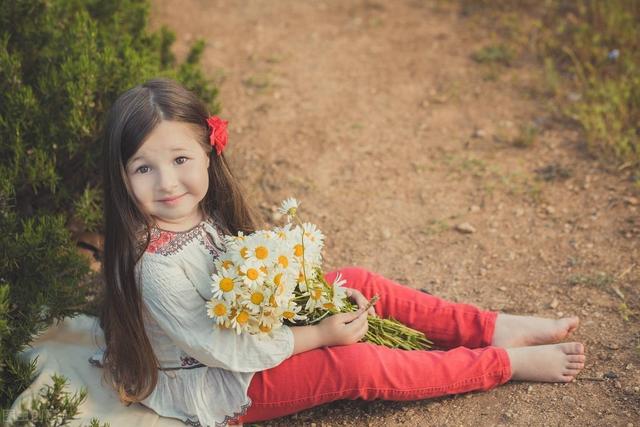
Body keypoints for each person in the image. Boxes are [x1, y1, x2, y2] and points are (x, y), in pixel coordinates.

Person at [98, 78, 585, 427]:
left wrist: (293, 286)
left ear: (209, 153)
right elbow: (224, 350)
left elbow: (244, 288)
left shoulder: (203, 214)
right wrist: (320, 334)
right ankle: (503, 363)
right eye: (144, 168)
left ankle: (494, 328)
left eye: (181, 159)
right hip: (227, 382)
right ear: (122, 175)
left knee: (354, 281)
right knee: (354, 364)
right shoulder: (154, 267)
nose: (167, 183)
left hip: (255, 339)